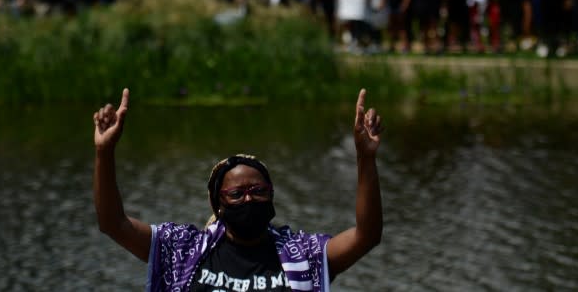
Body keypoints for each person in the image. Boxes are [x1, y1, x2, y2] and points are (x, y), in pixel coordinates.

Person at [93, 88, 383, 291]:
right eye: (236, 194)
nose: (249, 198)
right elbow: (112, 223)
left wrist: (365, 158)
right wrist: (104, 153)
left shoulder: (302, 255)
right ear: (218, 204)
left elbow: (366, 235)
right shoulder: (184, 250)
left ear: (271, 195)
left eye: (258, 190)